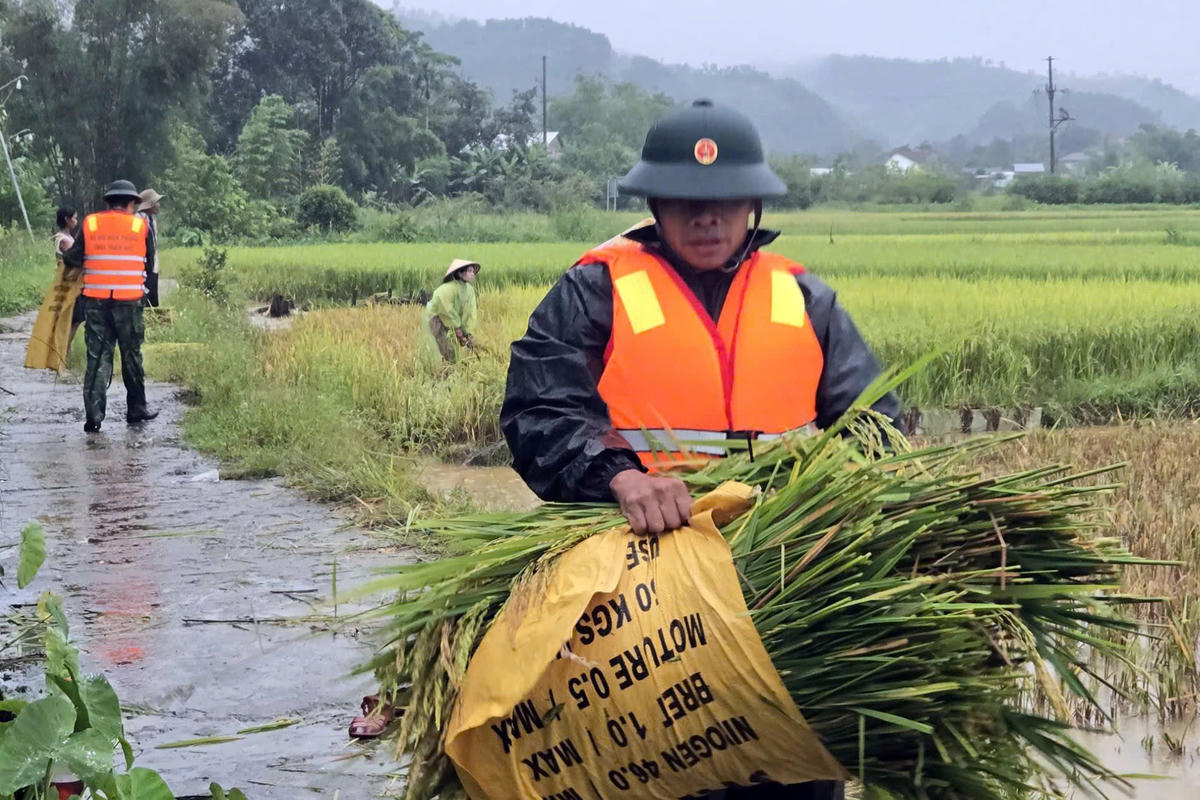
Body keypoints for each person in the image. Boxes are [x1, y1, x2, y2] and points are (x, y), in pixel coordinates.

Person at [500, 100, 902, 800]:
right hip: (643, 590)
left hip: (780, 576)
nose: (706, 217)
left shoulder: (804, 297)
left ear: (752, 202)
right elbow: (539, 409)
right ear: (655, 202)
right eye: (686, 201)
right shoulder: (595, 290)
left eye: (723, 201)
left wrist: (843, 505)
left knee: (792, 770)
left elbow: (876, 428)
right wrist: (617, 477)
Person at [62, 179, 159, 433]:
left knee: (97, 358)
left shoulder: (91, 223)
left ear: (109, 202)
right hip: (129, 303)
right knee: (131, 355)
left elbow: (73, 258)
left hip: (96, 302)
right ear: (130, 203)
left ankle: (94, 417)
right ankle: (136, 409)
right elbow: (148, 262)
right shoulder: (141, 226)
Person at [424, 258, 480, 363]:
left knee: (455, 346)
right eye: (469, 271)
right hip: (436, 317)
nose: (472, 274)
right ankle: (448, 372)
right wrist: (457, 329)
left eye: (473, 271)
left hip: (453, 320)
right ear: (460, 273)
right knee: (448, 349)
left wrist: (468, 332)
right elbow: (447, 310)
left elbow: (471, 312)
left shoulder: (470, 290)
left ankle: (451, 368)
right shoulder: (446, 289)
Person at [54, 205, 86, 346]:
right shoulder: (64, 240)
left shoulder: (68, 237)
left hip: (72, 281)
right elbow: (73, 259)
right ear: (67, 219)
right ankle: (64, 349)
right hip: (69, 281)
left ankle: (65, 349)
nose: (76, 221)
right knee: (74, 318)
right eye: (74, 218)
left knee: (75, 318)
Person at [137, 188, 163, 307]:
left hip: (152, 266)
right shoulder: (138, 220)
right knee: (144, 301)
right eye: (156, 202)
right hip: (142, 268)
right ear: (150, 205)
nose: (158, 205)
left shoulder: (152, 220)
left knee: (153, 300)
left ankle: (155, 324)